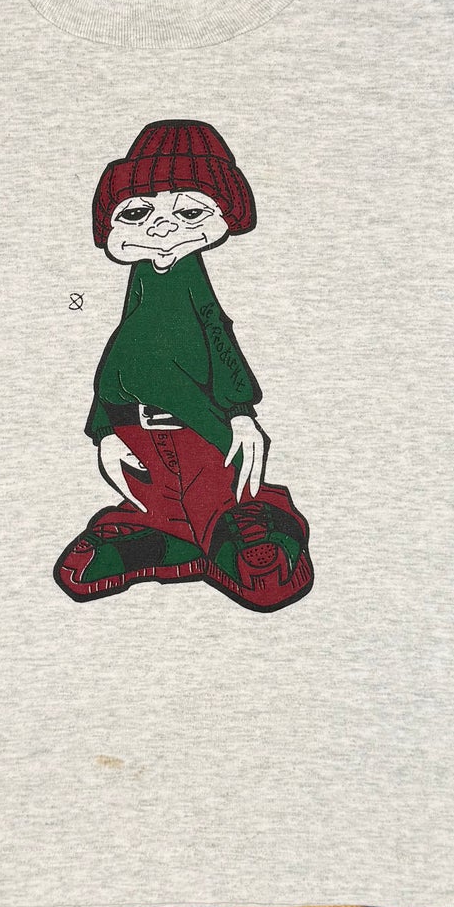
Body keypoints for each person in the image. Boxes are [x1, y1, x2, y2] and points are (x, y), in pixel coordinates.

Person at [53, 119, 314, 611]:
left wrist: (240, 413)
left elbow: (218, 333)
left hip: (198, 421)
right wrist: (105, 429)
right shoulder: (142, 278)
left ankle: (255, 536)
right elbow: (121, 351)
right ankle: (162, 540)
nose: (162, 228)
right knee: (155, 499)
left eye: (190, 212)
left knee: (222, 497)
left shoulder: (189, 276)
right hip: (138, 428)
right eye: (137, 213)